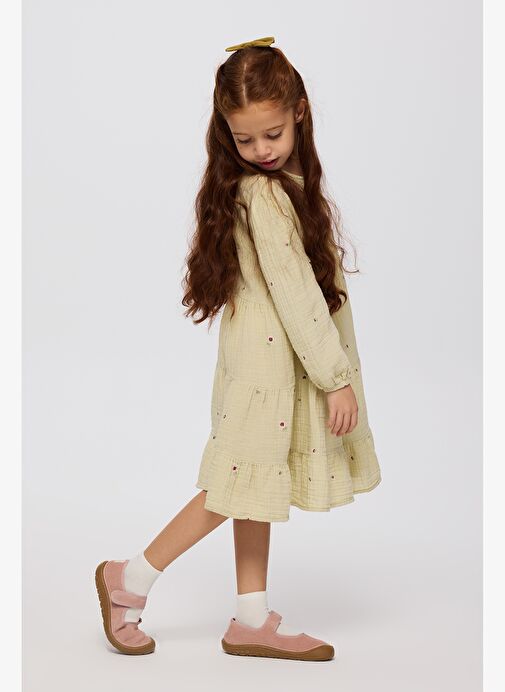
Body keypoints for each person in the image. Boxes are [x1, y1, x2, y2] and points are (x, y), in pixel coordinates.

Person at [95, 35, 382, 662]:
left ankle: (251, 619)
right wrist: (335, 378)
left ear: (300, 111)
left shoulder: (284, 185)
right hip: (265, 372)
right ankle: (130, 578)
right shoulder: (266, 195)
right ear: (226, 132)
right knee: (232, 486)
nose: (261, 150)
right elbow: (298, 298)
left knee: (255, 484)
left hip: (264, 365)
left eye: (272, 134)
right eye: (245, 139)